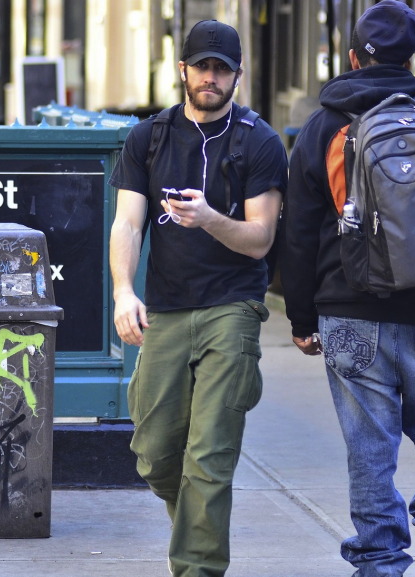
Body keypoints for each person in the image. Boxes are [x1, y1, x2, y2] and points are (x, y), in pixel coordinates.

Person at [280, 2, 415, 577]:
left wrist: (301, 318)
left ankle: (379, 557)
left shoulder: (323, 126)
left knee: (370, 444)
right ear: (413, 57)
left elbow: (297, 232)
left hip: (350, 309)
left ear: (351, 57)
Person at [108, 19, 287, 577]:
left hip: (232, 309)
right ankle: (195, 528)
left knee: (209, 458)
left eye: (222, 69)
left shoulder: (259, 141)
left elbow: (260, 241)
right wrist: (121, 291)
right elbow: (129, 224)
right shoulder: (149, 137)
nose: (211, 78)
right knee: (157, 454)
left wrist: (210, 219)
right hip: (165, 308)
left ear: (238, 75)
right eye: (202, 66)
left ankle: (196, 568)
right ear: (182, 69)